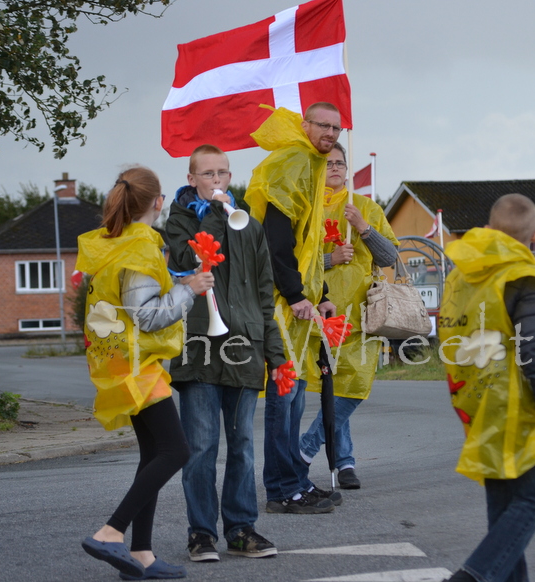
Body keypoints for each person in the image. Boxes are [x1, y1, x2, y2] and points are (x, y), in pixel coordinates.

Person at [78, 167, 214, 580]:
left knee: (154, 454)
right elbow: (147, 316)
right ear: (157, 203)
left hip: (124, 361)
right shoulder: (138, 248)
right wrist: (189, 288)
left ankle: (140, 554)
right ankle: (110, 532)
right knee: (176, 451)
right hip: (137, 364)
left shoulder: (112, 245)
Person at [165, 144, 288, 561]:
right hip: (199, 348)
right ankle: (201, 533)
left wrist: (276, 353)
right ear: (192, 179)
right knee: (201, 447)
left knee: (242, 447)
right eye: (208, 174)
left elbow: (264, 293)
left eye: (223, 173)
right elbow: (187, 257)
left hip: (245, 347)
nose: (217, 180)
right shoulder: (178, 220)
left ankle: (241, 529)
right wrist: (217, 214)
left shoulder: (249, 225)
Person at [438, 193, 535, 582]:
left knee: (503, 507)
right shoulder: (525, 278)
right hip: (512, 402)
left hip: (474, 396)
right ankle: (472, 576)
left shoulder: (462, 271)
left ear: (492, 229)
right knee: (531, 502)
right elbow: (534, 350)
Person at [245, 103, 343, 514]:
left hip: (298, 303)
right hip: (280, 305)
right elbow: (276, 236)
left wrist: (317, 294)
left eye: (337, 128)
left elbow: (309, 243)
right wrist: (295, 293)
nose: (332, 134)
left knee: (297, 396)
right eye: (324, 125)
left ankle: (296, 482)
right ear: (305, 125)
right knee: (284, 397)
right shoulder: (295, 160)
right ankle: (282, 490)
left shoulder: (312, 164)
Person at [298, 142, 399, 490]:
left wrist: (365, 228)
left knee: (355, 385)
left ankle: (306, 449)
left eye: (341, 163)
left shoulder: (365, 206)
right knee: (334, 386)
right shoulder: (305, 209)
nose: (336, 169)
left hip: (363, 313)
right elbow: (293, 262)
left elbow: (389, 258)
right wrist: (330, 260)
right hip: (320, 312)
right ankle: (344, 463)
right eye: (328, 164)